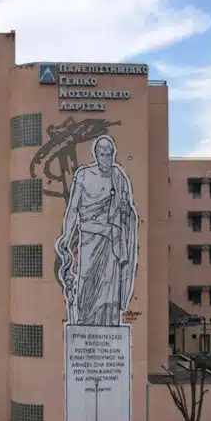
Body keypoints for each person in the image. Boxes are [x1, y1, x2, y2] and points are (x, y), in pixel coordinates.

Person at [55, 135, 138, 326]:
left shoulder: (118, 176)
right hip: (89, 238)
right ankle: (85, 320)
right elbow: (73, 208)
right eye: (103, 155)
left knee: (109, 285)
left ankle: (109, 322)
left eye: (110, 155)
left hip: (111, 241)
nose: (106, 159)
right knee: (86, 280)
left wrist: (125, 210)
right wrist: (66, 235)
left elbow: (128, 211)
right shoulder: (83, 175)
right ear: (95, 154)